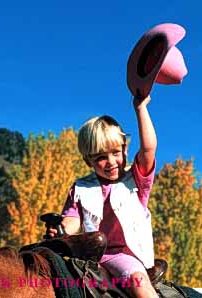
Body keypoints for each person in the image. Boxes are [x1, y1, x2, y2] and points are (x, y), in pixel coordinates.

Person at [47, 95, 158, 298]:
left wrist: (141, 108)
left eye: (115, 152)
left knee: (138, 283)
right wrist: (62, 229)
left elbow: (149, 149)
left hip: (123, 256)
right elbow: (73, 219)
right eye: (100, 157)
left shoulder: (135, 180)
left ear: (125, 148)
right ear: (88, 161)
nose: (110, 162)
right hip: (88, 256)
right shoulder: (81, 187)